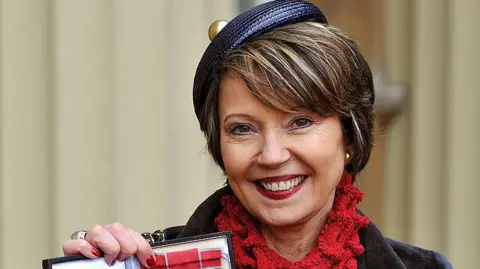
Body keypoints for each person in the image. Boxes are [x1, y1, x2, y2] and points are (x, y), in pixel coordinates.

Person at [62, 1, 452, 268]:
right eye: (242, 129)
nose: (271, 154)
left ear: (349, 136)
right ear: (219, 145)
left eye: (300, 121)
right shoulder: (152, 263)